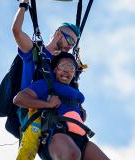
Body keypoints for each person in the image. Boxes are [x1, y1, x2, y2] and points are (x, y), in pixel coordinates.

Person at [12, 0, 86, 159]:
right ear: (59, 34)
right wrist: (24, 5)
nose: (71, 46)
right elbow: (16, 31)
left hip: (58, 113)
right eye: (70, 40)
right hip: (33, 108)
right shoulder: (35, 53)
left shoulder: (65, 64)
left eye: (74, 43)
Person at [14, 52, 110, 160]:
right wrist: (48, 104)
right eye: (63, 66)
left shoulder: (76, 94)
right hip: (55, 134)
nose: (66, 70)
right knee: (72, 155)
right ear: (55, 70)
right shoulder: (46, 84)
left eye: (71, 68)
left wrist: (80, 113)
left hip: (82, 139)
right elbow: (19, 99)